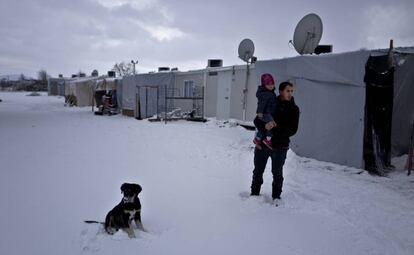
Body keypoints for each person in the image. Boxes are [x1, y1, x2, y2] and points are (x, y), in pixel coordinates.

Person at [250, 81, 300, 200]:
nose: (290, 93)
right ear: (281, 91)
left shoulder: (294, 109)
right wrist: (264, 127)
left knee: (277, 174)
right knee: (258, 171)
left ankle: (276, 198)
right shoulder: (271, 103)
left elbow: (293, 130)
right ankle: (254, 195)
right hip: (263, 144)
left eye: (292, 91)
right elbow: (257, 121)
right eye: (288, 91)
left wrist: (276, 130)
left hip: (280, 147)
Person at [253, 73, 277, 150]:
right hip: (266, 113)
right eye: (268, 84)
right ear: (264, 85)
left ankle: (257, 139)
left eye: (272, 84)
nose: (271, 85)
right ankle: (267, 140)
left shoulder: (270, 93)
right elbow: (261, 103)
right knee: (271, 125)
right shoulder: (265, 94)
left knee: (264, 127)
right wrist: (259, 112)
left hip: (268, 113)